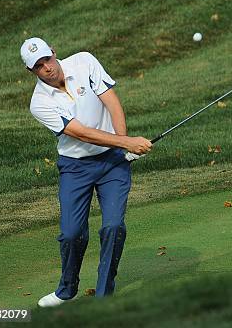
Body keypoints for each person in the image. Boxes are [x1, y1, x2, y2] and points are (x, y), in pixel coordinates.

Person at [20, 37, 152, 307]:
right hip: (75, 167)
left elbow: (111, 102)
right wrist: (127, 143)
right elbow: (79, 133)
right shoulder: (39, 103)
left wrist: (122, 142)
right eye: (38, 65)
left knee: (113, 226)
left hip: (113, 161)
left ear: (54, 52)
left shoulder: (84, 61)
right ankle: (67, 290)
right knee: (71, 232)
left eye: (47, 59)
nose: (47, 67)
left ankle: (104, 297)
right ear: (31, 71)